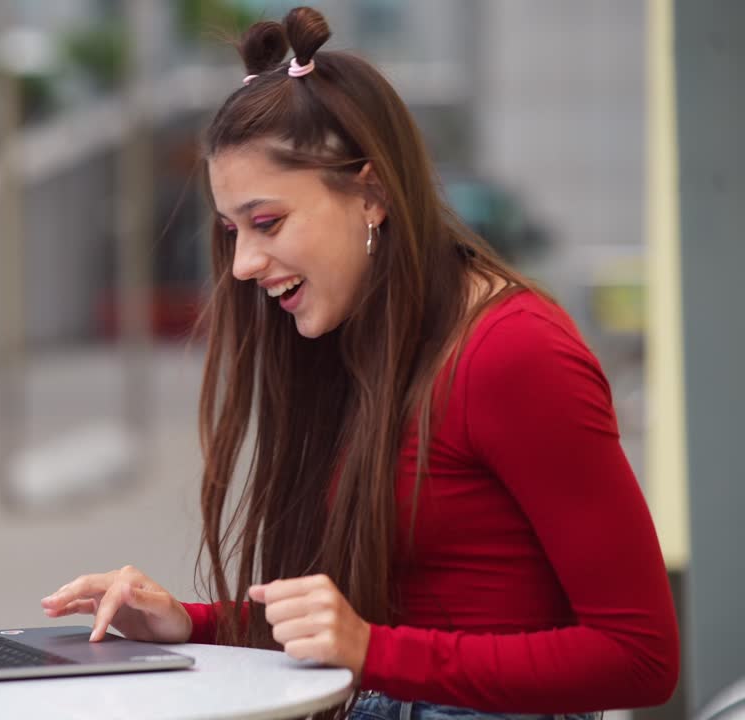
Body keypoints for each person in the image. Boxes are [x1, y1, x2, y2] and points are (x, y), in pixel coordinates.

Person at [40, 7, 678, 717]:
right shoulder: (354, 334)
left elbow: (640, 657)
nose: (244, 265)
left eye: (267, 222)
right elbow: (360, 620)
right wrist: (191, 623)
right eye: (230, 231)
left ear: (370, 195)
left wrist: (373, 652)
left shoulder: (517, 353)